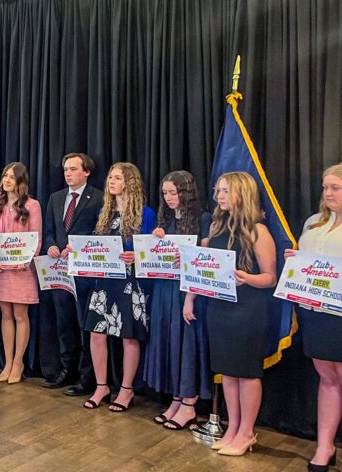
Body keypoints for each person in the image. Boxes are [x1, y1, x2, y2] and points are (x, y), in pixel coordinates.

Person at [188, 172, 276, 456]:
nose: (219, 196)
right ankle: (233, 427)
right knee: (227, 372)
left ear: (242, 193)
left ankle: (247, 432)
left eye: (225, 190)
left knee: (247, 373)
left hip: (248, 311)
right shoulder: (216, 227)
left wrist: (246, 278)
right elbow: (200, 267)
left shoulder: (258, 231)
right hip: (219, 308)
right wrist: (190, 299)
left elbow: (270, 278)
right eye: (218, 190)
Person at [82, 162, 155, 412]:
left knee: (129, 336)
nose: (111, 182)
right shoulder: (106, 212)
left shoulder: (145, 213)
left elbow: (152, 251)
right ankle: (102, 386)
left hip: (131, 282)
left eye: (117, 178)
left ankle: (126, 389)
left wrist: (137, 256)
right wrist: (79, 251)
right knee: (96, 332)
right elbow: (96, 245)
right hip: (105, 281)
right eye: (110, 177)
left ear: (130, 183)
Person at [142, 170, 212, 430]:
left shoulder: (202, 218)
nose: (169, 198)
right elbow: (152, 255)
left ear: (186, 192)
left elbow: (205, 255)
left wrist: (189, 257)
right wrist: (156, 241)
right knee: (169, 341)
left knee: (187, 343)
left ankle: (189, 403)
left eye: (174, 193)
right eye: (165, 193)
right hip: (164, 287)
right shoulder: (166, 219)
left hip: (186, 290)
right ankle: (176, 398)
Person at [285, 163, 342, 471]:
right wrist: (294, 262)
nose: (328, 193)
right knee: (327, 378)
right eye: (325, 187)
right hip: (314, 313)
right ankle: (325, 447)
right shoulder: (312, 223)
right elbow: (304, 265)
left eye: (335, 187)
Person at [42, 153, 104, 395]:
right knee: (64, 323)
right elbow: (49, 230)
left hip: (86, 272)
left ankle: (88, 377)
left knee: (85, 325)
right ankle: (67, 370)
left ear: (86, 171)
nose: (68, 173)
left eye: (73, 169)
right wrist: (51, 245)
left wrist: (77, 246)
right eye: (66, 169)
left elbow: (101, 233)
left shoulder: (99, 197)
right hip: (59, 272)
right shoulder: (56, 198)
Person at [0, 162, 42, 384]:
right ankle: (8, 361)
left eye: (12, 176)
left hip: (22, 270)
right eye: (5, 175)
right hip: (1, 269)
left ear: (21, 181)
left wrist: (26, 260)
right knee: (5, 315)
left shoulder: (32, 205)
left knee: (21, 315)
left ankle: (19, 361)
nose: (7, 180)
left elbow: (36, 237)